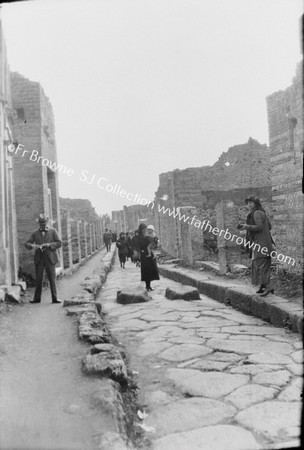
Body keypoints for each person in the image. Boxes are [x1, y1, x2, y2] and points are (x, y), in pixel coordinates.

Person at [239, 195, 274, 297]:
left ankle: (268, 286)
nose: (249, 204)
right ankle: (263, 286)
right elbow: (269, 226)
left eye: (251, 202)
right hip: (263, 242)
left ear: (256, 203)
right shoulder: (261, 212)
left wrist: (247, 226)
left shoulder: (257, 213)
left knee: (261, 265)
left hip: (261, 243)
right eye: (248, 202)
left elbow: (259, 226)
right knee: (260, 264)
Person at [25, 214, 62, 304]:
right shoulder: (35, 233)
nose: (43, 225)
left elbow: (59, 243)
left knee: (52, 279)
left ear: (47, 222)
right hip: (39, 259)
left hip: (50, 259)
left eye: (44, 223)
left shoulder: (53, 231)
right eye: (41, 223)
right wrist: (33, 246)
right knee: (38, 279)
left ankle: (55, 298)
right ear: (39, 223)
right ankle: (37, 299)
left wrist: (49, 245)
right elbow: (27, 243)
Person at [138, 223, 160, 291]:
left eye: (145, 229)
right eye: (144, 229)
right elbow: (141, 245)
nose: (145, 230)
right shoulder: (140, 237)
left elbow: (153, 242)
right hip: (144, 256)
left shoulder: (147, 236)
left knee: (150, 272)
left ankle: (149, 286)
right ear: (141, 230)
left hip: (150, 256)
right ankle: (147, 287)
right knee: (146, 272)